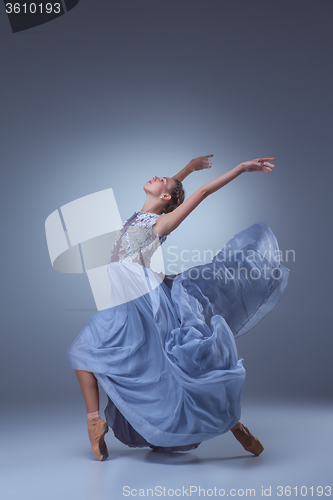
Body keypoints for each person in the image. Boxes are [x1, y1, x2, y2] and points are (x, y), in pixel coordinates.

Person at [68, 155, 290, 461]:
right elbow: (170, 191)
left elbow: (200, 194)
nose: (158, 176)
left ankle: (233, 424)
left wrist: (240, 169)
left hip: (141, 304)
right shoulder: (142, 215)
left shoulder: (161, 223)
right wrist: (187, 169)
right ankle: (95, 421)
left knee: (165, 368)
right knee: (113, 359)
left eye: (163, 180)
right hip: (124, 301)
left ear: (165, 197)